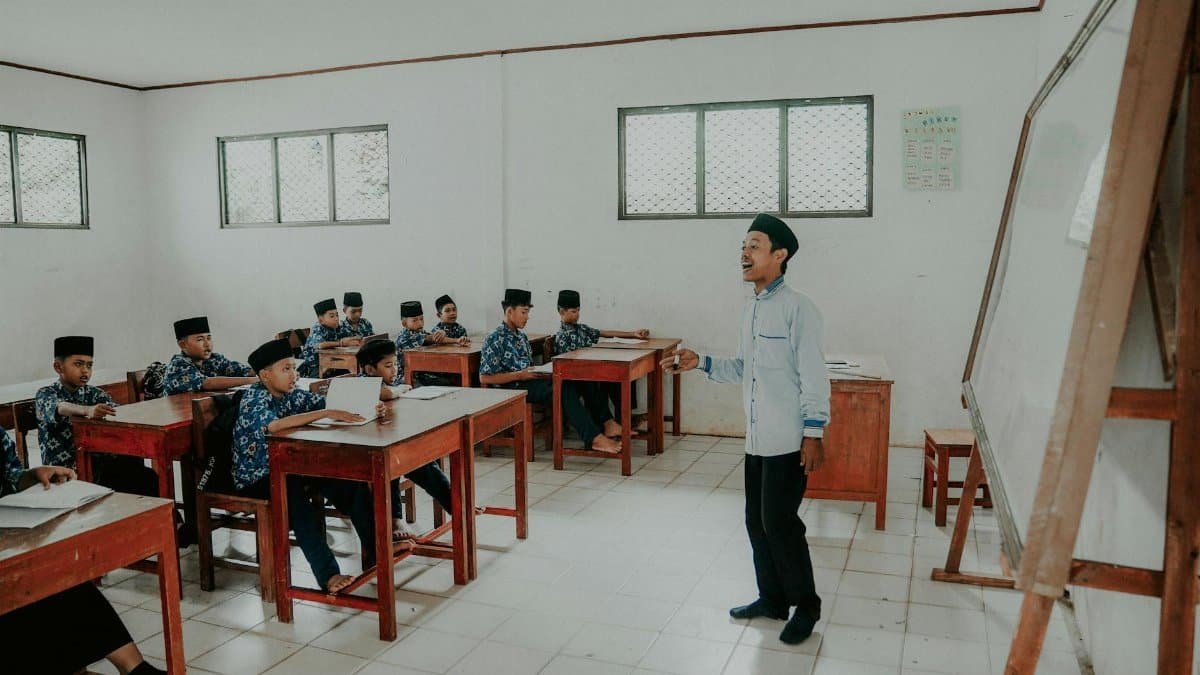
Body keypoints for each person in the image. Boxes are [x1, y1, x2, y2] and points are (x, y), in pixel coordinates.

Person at [666, 213, 830, 645]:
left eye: (754, 245)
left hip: (788, 439)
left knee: (780, 523)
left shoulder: (799, 309)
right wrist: (700, 362)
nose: (744, 252)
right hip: (757, 439)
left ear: (780, 255)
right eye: (743, 245)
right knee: (756, 522)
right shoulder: (751, 309)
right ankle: (772, 599)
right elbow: (743, 368)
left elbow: (814, 376)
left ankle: (806, 606)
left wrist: (814, 432)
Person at [0, 430, 166, 675]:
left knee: (56, 575)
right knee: (26, 592)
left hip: (8, 537)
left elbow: (11, 477)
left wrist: (34, 475)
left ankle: (134, 667)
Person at [231, 338, 384, 593]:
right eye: (286, 369)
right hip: (258, 477)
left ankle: (378, 549)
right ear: (265, 375)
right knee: (296, 500)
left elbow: (328, 404)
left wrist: (370, 407)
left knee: (349, 480)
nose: (294, 375)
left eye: (294, 367)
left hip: (292, 467)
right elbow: (274, 426)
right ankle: (328, 574)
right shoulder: (253, 398)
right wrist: (325, 413)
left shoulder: (291, 395)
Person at [479, 289, 621, 454]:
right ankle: (594, 438)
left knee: (579, 380)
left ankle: (607, 423)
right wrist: (519, 375)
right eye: (524, 312)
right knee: (563, 388)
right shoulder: (494, 338)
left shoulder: (521, 337)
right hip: (513, 387)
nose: (527, 317)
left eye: (528, 312)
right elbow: (485, 378)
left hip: (529, 380)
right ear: (510, 311)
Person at [162, 316, 257, 395]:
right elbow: (207, 383)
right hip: (180, 411)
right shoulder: (177, 365)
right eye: (200, 339)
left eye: (209, 338)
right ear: (182, 345)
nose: (207, 344)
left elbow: (243, 371)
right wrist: (253, 380)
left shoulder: (214, 359)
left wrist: (261, 369)